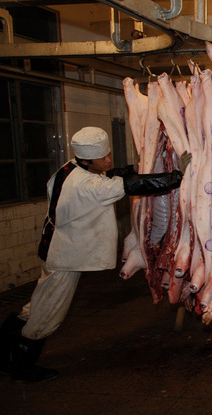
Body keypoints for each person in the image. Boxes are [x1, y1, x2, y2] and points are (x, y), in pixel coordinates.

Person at [0, 126, 190, 383]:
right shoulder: (89, 186)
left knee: (35, 305)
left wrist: (130, 168)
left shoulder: (68, 169)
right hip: (65, 257)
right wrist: (177, 176)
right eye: (104, 157)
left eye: (109, 154)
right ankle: (23, 366)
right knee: (49, 313)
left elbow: (113, 174)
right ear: (88, 159)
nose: (109, 159)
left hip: (54, 247)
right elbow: (133, 186)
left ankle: (2, 353)